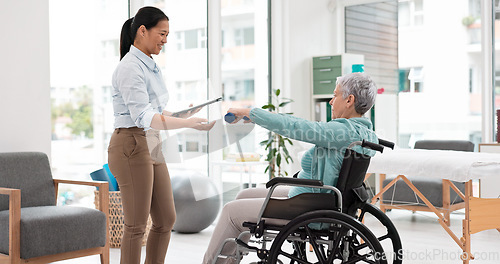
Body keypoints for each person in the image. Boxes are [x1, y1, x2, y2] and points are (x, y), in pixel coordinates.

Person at [203, 72, 378, 264]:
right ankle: (229, 260)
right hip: (322, 197)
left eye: (335, 95)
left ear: (349, 100)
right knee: (243, 195)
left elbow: (295, 126)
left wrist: (250, 113)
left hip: (311, 204)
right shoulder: (364, 133)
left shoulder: (343, 131)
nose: (330, 101)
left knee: (230, 211)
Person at [107, 6, 215, 264]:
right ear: (142, 31)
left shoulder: (149, 64)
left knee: (166, 219)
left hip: (151, 141)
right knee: (135, 226)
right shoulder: (129, 67)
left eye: (168, 35)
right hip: (131, 143)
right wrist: (188, 126)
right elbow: (144, 117)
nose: (165, 40)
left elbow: (154, 110)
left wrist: (184, 116)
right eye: (162, 33)